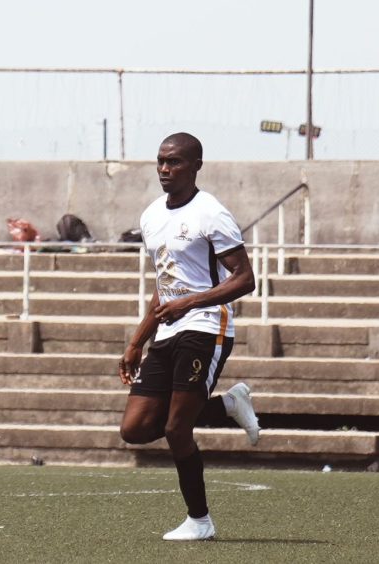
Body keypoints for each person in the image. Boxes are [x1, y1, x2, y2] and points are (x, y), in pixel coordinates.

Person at [118, 132, 260, 541]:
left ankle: (200, 521)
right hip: (168, 328)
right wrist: (136, 341)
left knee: (178, 430)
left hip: (207, 327)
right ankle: (229, 404)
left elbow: (245, 278)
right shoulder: (151, 216)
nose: (165, 169)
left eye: (175, 162)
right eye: (161, 161)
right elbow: (163, 285)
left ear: (196, 165)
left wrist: (192, 303)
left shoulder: (211, 214)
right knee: (136, 429)